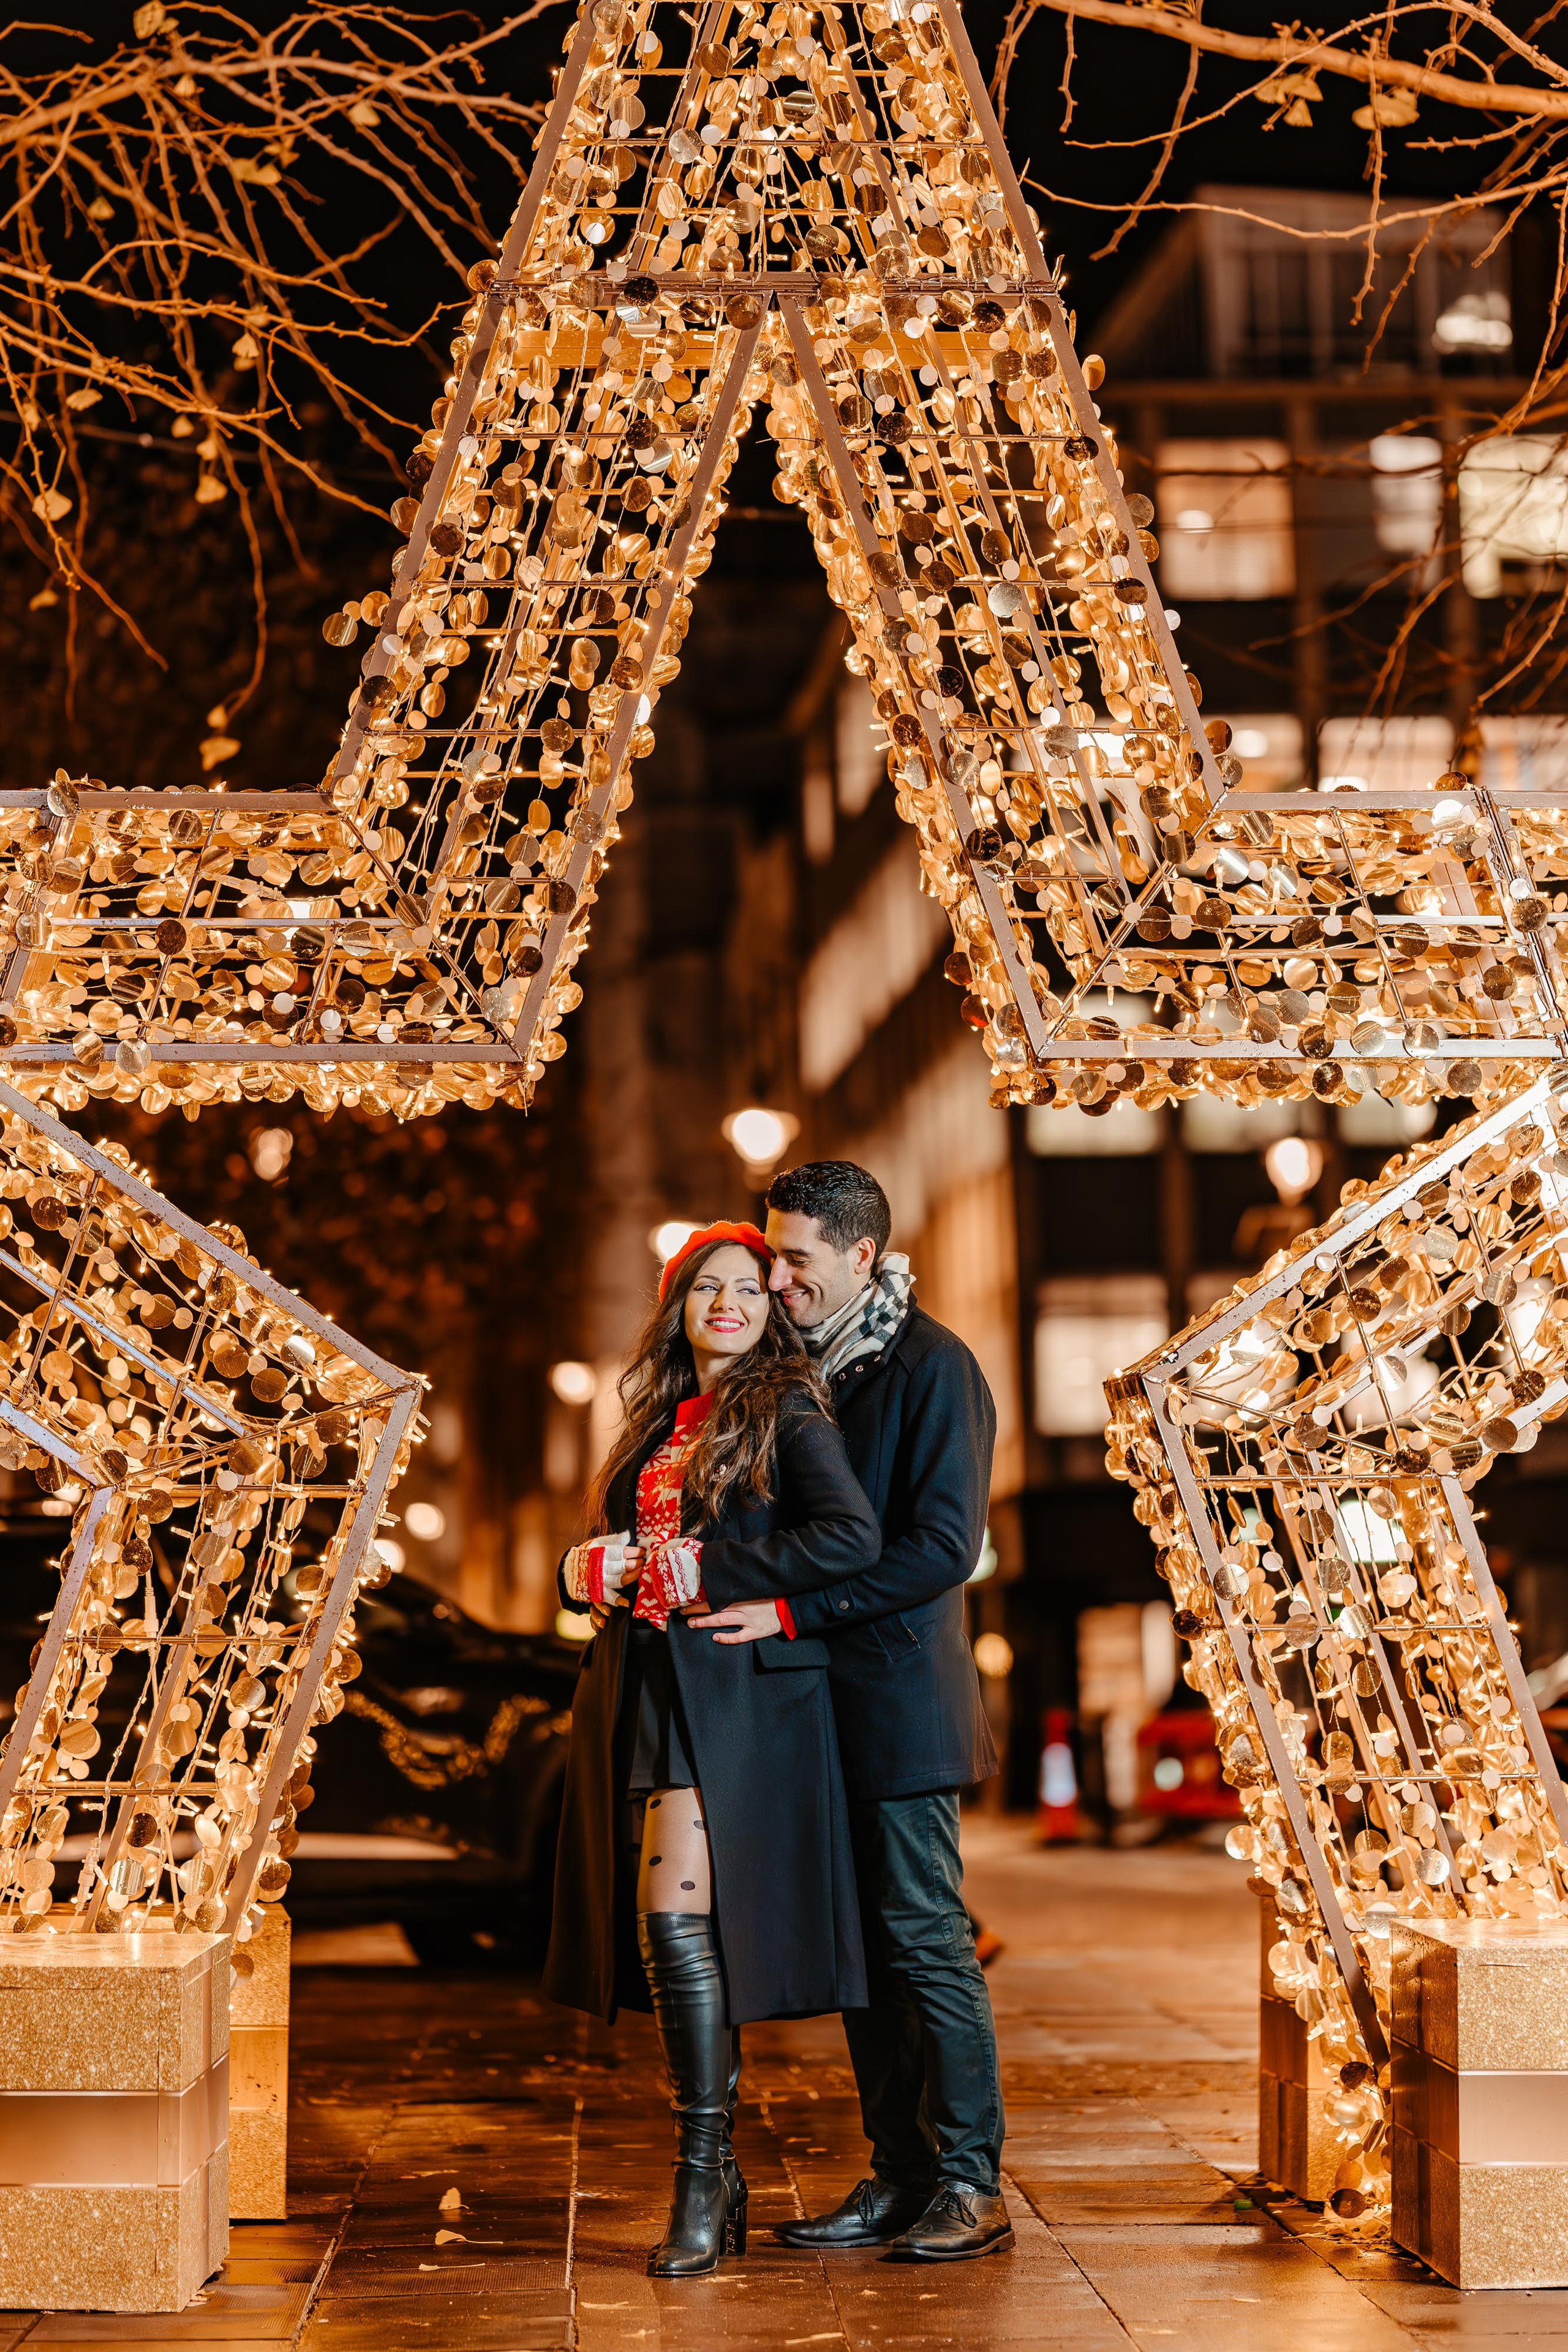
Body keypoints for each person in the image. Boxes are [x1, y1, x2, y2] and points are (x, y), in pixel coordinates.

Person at [543, 1221, 880, 2280]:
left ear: (771, 1309)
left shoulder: (783, 1407)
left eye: (746, 1288)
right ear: (678, 1306)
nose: (727, 1304)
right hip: (644, 1687)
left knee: (672, 1922)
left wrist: (714, 1572)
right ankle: (710, 2168)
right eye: (706, 1290)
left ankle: (702, 2169)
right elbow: (606, 1550)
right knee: (666, 1930)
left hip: (734, 1700)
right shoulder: (653, 1422)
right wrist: (578, 1569)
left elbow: (850, 1538)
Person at [689, 1162, 1011, 2261]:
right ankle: (901, 2173)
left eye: (795, 1261)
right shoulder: (804, 1374)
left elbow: (940, 1549)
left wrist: (791, 1609)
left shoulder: (933, 1368)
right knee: (867, 1953)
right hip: (821, 1708)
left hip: (903, 1706)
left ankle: (971, 2183)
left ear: (862, 1257)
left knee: (926, 1942)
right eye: (770, 1259)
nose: (775, 1282)